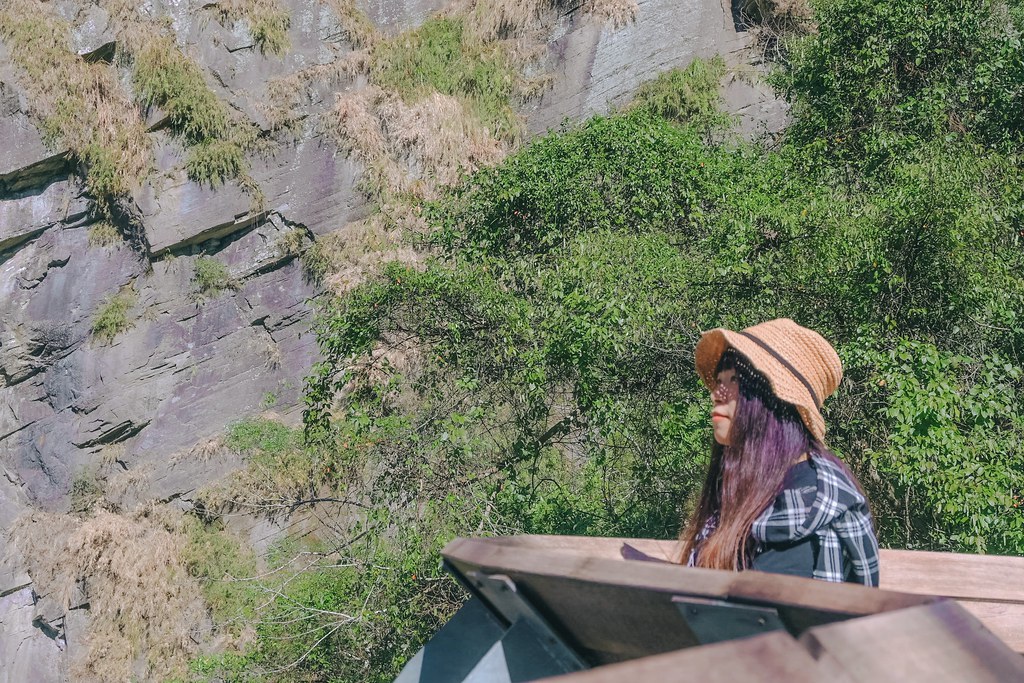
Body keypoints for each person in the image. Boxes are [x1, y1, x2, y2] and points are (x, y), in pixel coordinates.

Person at [677, 318, 879, 585]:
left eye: (734, 379)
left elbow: (753, 620)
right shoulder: (753, 488)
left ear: (774, 402)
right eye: (719, 380)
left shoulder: (809, 510)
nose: (717, 392)